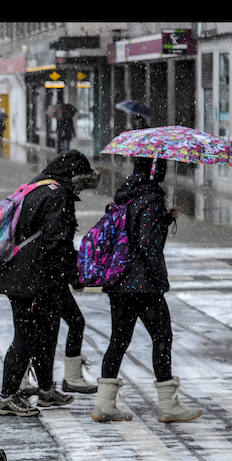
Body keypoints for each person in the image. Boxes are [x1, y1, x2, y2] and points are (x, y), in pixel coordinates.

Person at [92, 157, 202, 423]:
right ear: (156, 170)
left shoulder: (127, 193)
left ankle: (104, 403)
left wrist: (163, 220)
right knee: (162, 338)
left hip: (119, 282)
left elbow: (133, 229)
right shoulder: (151, 198)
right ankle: (168, 405)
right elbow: (147, 244)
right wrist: (159, 279)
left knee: (118, 341)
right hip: (143, 285)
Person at [0, 150, 100, 417]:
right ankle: (7, 397)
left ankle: (45, 390)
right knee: (26, 338)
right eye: (81, 181)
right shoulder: (57, 196)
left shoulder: (37, 188)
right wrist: (73, 276)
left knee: (46, 333)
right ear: (72, 176)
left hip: (32, 276)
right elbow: (57, 244)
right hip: (33, 280)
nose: (81, 188)